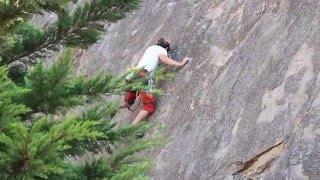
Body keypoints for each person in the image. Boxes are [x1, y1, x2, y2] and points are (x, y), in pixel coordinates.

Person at [121, 38, 189, 125]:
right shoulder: (162, 50)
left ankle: (111, 110)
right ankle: (131, 129)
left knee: (128, 101)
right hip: (144, 76)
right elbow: (163, 59)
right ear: (166, 49)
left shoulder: (150, 49)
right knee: (148, 107)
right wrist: (180, 64)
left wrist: (164, 72)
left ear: (158, 43)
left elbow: (164, 67)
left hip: (132, 75)